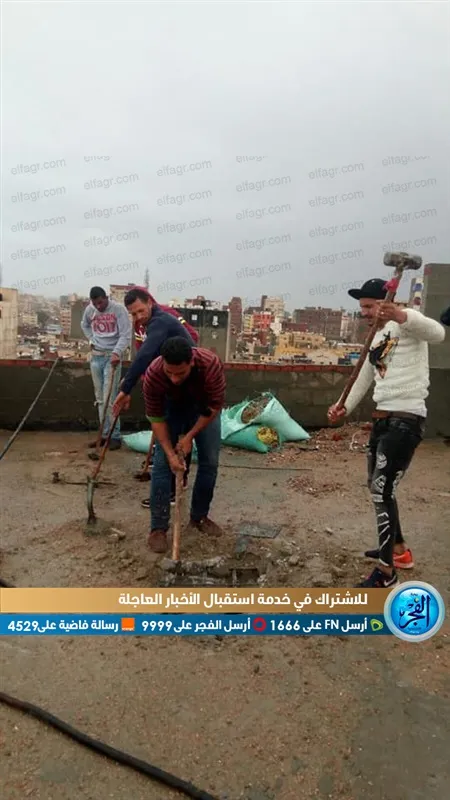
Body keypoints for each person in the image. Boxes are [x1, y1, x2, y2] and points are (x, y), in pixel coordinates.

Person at [327, 278, 445, 588]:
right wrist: (342, 406)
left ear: (386, 303)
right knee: (378, 487)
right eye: (362, 307)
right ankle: (399, 550)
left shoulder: (407, 323)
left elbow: (438, 333)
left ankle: (386, 572)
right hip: (383, 420)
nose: (365, 312)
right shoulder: (377, 337)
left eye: (369, 306)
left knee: (382, 490)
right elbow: (364, 377)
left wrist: (401, 315)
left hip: (406, 418)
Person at [112, 287, 196, 502]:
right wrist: (131, 380)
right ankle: (177, 486)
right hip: (174, 385)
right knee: (173, 440)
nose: (138, 317)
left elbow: (145, 354)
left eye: (141, 311)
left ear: (150, 303)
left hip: (182, 385)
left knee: (167, 443)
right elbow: (149, 357)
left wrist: (126, 388)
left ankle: (167, 494)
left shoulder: (160, 321)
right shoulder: (152, 323)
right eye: (133, 314)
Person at [143, 336, 225, 553]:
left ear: (191, 362)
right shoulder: (154, 375)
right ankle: (158, 528)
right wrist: (171, 454)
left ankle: (199, 517)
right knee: (162, 465)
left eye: (180, 373)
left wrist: (189, 436)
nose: (174, 379)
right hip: (171, 410)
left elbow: (214, 407)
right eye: (169, 372)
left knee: (210, 462)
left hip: (203, 410)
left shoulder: (210, 365)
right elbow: (156, 419)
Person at [81, 286, 131, 450]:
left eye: (101, 303)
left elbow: (125, 334)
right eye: (95, 304)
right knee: (100, 399)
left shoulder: (118, 310)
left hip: (112, 357)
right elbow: (84, 325)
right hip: (96, 356)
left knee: (111, 399)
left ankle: (114, 436)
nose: (98, 306)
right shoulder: (90, 310)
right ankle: (103, 434)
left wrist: (117, 352)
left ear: (106, 298)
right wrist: (92, 339)